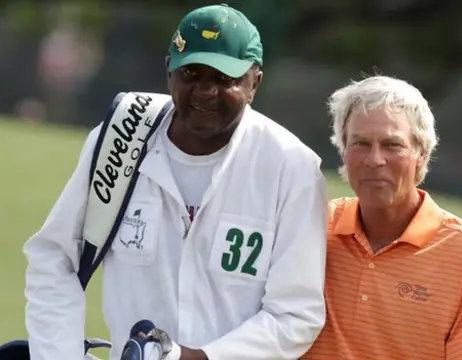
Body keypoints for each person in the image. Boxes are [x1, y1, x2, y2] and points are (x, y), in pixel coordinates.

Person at [23, 4, 328, 360]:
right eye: (191, 74)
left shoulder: (292, 167)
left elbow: (295, 315)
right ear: (169, 70)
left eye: (224, 79)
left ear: (254, 83)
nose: (204, 91)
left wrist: (196, 358)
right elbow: (54, 259)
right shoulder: (122, 136)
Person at [303, 75, 462, 359]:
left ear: (421, 154)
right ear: (343, 151)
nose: (374, 159)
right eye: (360, 143)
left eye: (392, 145)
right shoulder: (312, 226)